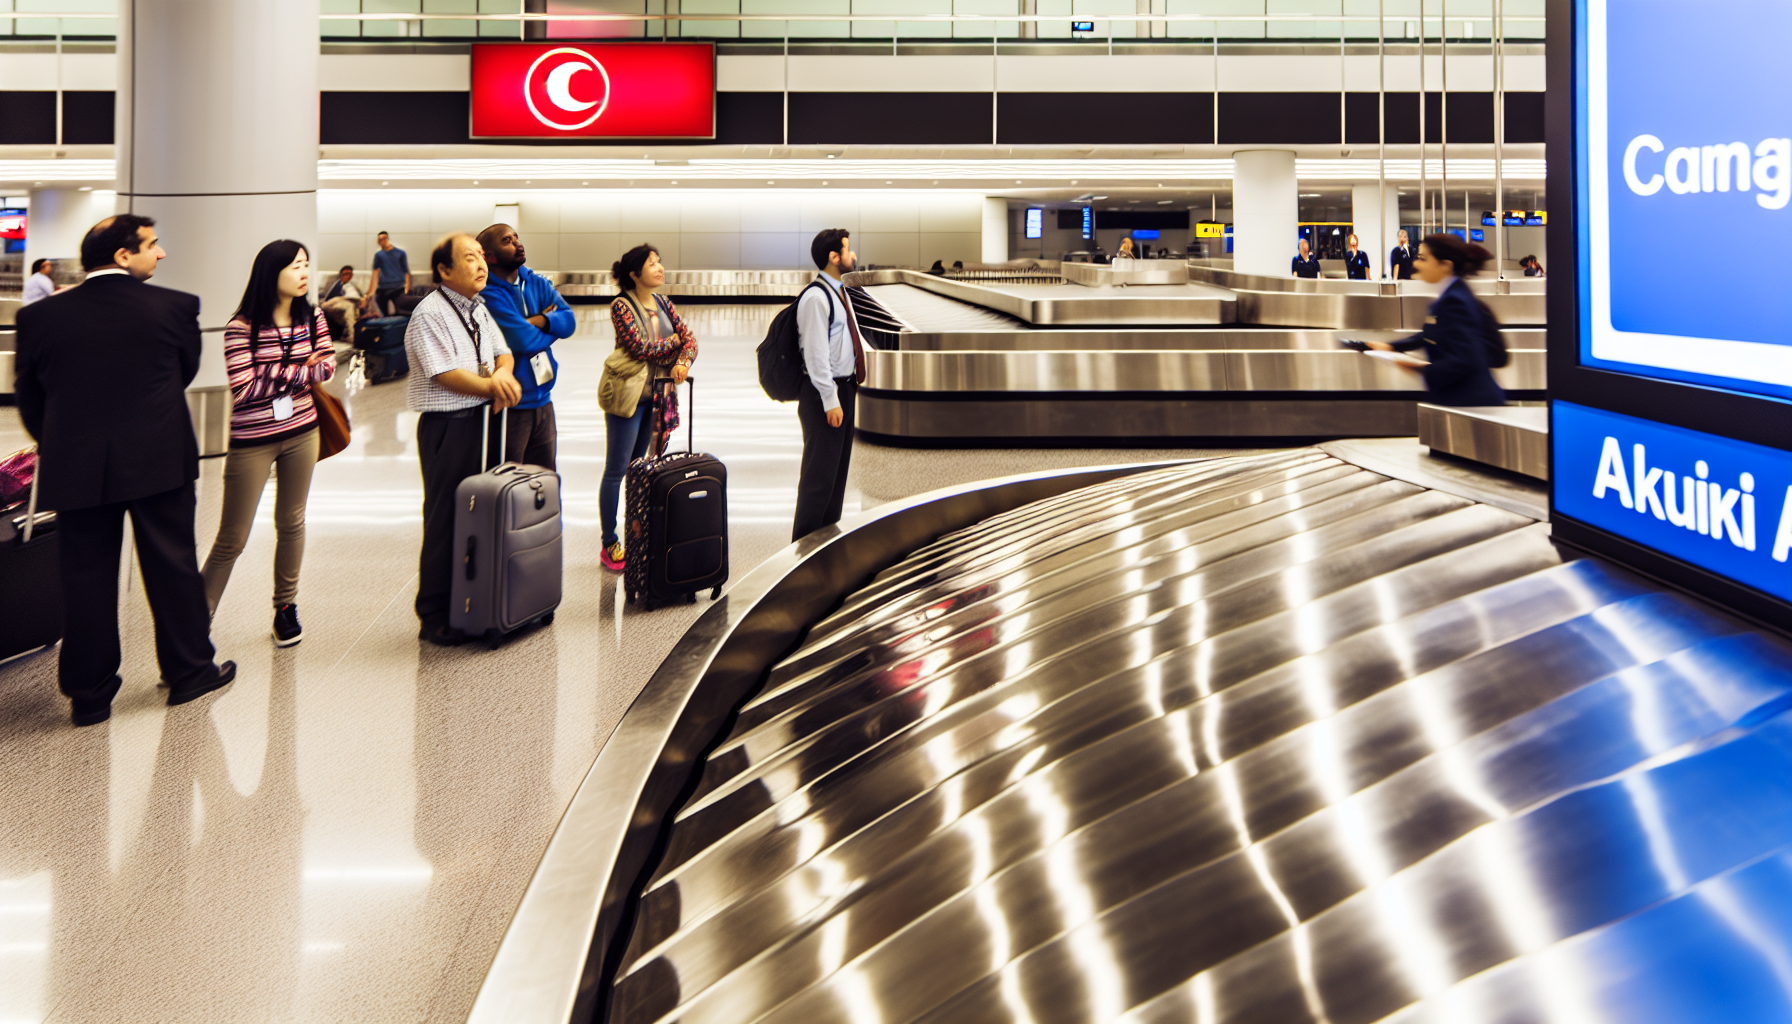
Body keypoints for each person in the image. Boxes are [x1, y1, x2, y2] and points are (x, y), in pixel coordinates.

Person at [13, 214, 236, 725]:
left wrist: (63, 440)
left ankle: (89, 695)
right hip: (158, 458)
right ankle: (189, 672)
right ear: (122, 256)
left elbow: (30, 400)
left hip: (76, 465)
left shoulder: (41, 318)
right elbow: (180, 375)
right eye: (152, 245)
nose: (160, 254)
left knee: (84, 575)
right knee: (172, 563)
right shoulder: (175, 307)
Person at [199, 240, 335, 647]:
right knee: (232, 537)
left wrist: (275, 371)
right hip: (252, 442)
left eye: (306, 265)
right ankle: (195, 620)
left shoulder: (313, 316)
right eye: (295, 266)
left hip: (303, 433)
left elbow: (326, 367)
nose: (304, 273)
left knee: (292, 522)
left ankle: (285, 607)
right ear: (270, 273)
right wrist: (298, 370)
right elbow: (243, 388)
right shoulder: (241, 326)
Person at [404, 233, 520, 646]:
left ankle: (473, 600)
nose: (480, 264)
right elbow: (444, 373)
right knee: (445, 517)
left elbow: (503, 353)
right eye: (468, 258)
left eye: (481, 257)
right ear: (444, 270)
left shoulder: (479, 309)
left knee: (479, 513)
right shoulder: (430, 313)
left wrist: (502, 374)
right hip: (447, 425)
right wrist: (494, 387)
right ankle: (434, 613)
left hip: (482, 422)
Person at [598, 243, 698, 572]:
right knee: (616, 470)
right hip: (628, 398)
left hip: (658, 396)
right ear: (634, 273)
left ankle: (637, 534)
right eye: (651, 263)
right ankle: (610, 541)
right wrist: (676, 343)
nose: (659, 268)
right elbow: (642, 348)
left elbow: (691, 340)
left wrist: (682, 360)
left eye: (659, 261)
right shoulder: (621, 306)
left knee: (640, 469)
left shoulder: (664, 303)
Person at [1365, 233, 1506, 407]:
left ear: (1445, 265)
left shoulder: (1455, 301)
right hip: (1464, 402)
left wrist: (1421, 369)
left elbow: (1464, 360)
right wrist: (1392, 346)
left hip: (1472, 404)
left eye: (1423, 259)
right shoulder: (1452, 295)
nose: (1415, 263)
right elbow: (1430, 334)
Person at [477, 223, 576, 469]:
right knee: (509, 480)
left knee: (544, 479)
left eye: (516, 237)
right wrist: (550, 330)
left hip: (544, 399)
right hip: (510, 404)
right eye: (507, 241)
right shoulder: (488, 293)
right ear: (489, 256)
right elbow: (523, 340)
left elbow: (569, 322)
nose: (517, 243)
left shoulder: (536, 283)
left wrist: (540, 321)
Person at [792, 228, 867, 542]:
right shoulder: (816, 298)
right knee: (818, 480)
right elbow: (816, 355)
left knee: (835, 479)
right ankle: (800, 556)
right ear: (834, 257)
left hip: (844, 389)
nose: (854, 255)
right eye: (848, 250)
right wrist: (830, 400)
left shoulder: (840, 292)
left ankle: (823, 546)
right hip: (826, 394)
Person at [366, 231, 410, 316]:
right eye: (379, 240)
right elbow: (375, 273)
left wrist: (407, 287)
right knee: (382, 308)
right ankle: (387, 323)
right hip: (383, 287)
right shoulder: (379, 255)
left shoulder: (400, 253)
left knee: (401, 310)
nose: (381, 241)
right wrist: (370, 292)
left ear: (387, 239)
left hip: (398, 286)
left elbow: (406, 271)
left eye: (383, 239)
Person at [319, 264, 362, 340]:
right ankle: (353, 337)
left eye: (350, 274)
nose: (348, 276)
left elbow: (360, 295)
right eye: (346, 274)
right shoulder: (336, 284)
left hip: (350, 302)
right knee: (345, 303)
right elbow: (328, 295)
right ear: (341, 274)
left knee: (351, 306)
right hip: (335, 302)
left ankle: (352, 336)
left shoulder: (353, 285)